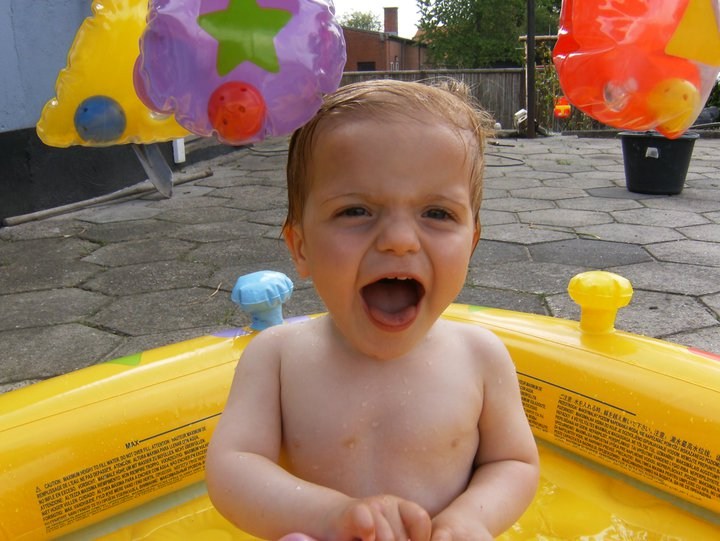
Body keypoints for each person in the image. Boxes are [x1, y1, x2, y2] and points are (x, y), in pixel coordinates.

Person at [206, 79, 539, 541]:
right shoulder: (276, 358)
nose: (399, 240)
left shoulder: (480, 357)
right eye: (356, 211)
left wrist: (469, 520)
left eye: (437, 213)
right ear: (301, 247)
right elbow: (232, 469)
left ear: (472, 244)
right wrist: (330, 517)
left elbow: (514, 462)